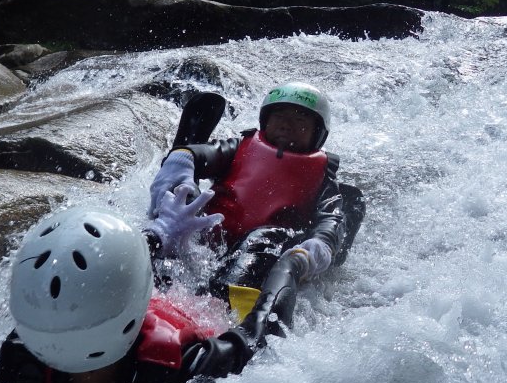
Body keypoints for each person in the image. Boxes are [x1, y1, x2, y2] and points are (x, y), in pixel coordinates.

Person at [0, 190, 311, 383]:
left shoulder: (27, 352)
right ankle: (159, 235)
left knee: (263, 240)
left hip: (196, 311)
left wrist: (291, 265)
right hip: (140, 303)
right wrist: (290, 267)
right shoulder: (188, 367)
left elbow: (261, 334)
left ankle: (161, 234)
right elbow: (263, 330)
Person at [148, 82, 365, 320]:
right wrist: (182, 159)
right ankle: (146, 272)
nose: (286, 125)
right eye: (279, 116)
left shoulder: (322, 181)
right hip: (209, 238)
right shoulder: (240, 148)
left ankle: (223, 312)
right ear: (265, 120)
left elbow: (330, 222)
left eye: (300, 121)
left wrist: (316, 249)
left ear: (318, 134)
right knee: (184, 207)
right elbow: (200, 155)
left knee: (263, 237)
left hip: (266, 257)